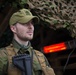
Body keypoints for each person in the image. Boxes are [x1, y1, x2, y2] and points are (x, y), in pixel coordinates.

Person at [0, 8, 55, 75]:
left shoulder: (40, 57)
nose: (31, 27)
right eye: (25, 23)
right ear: (13, 28)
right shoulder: (3, 56)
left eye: (32, 23)